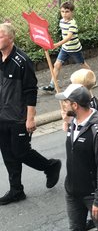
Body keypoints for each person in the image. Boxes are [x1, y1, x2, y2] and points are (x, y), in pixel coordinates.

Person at [0, 22, 62, 205]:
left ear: (11, 38)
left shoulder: (22, 61)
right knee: (8, 154)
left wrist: (30, 118)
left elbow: (30, 91)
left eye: (0, 35)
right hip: (2, 116)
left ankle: (50, 166)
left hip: (18, 117)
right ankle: (16, 190)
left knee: (20, 152)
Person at [56, 84, 98, 231]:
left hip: (93, 194)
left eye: (66, 102)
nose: (63, 105)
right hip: (73, 191)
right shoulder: (73, 122)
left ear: (75, 105)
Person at [43, 1, 91, 93]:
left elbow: (69, 37)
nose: (64, 14)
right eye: (62, 12)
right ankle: (52, 85)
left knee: (82, 64)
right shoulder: (61, 22)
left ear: (72, 12)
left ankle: (92, 80)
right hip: (65, 48)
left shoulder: (72, 24)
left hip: (74, 49)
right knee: (57, 65)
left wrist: (57, 44)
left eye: (67, 12)